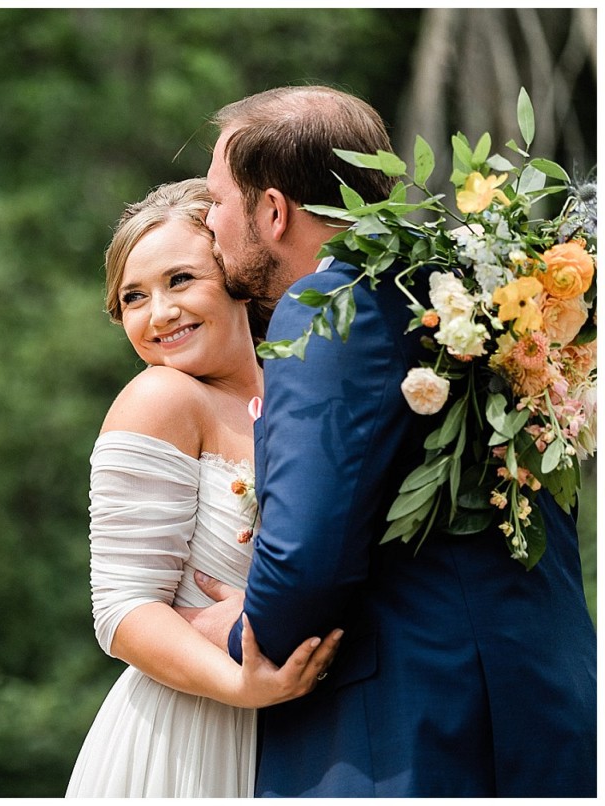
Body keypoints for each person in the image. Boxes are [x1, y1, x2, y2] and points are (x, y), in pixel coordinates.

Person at [186, 85, 596, 797]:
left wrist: (226, 630)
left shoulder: (327, 310)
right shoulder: (463, 288)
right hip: (542, 696)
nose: (209, 221)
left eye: (218, 200)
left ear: (273, 210)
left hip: (415, 732)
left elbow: (306, 557)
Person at [65, 178, 342, 798]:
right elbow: (121, 609)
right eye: (134, 297)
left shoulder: (299, 393)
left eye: (180, 280)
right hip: (192, 735)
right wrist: (239, 685)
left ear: (236, 280)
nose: (159, 313)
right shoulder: (161, 398)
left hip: (305, 731)